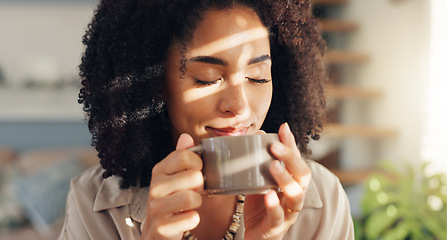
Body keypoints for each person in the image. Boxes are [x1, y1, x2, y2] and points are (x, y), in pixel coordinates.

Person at [59, 0, 354, 239]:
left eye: (258, 77)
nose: (239, 106)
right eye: (207, 79)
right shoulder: (93, 205)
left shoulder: (322, 202)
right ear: (154, 84)